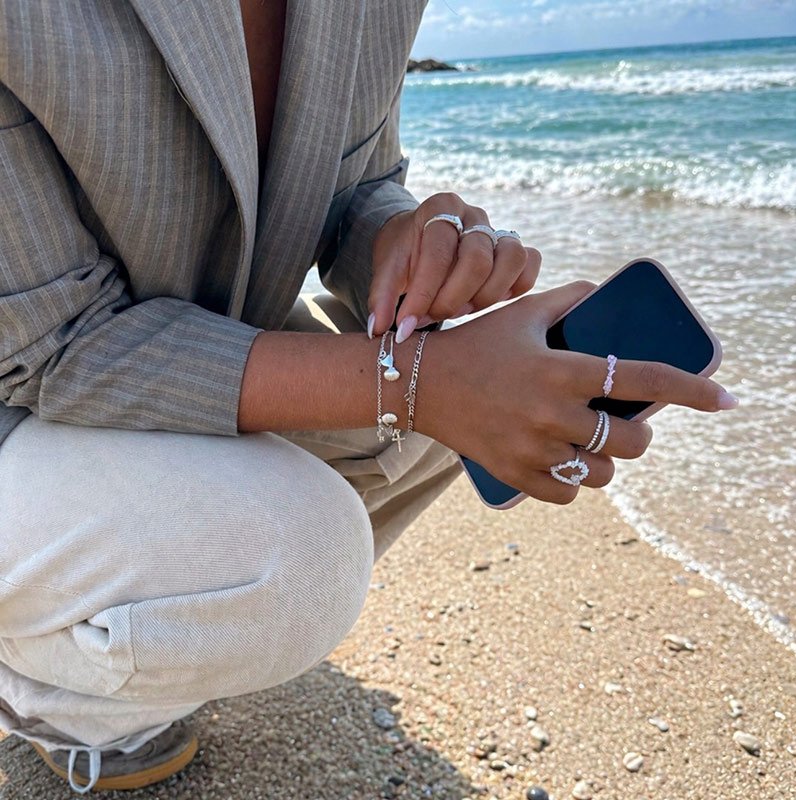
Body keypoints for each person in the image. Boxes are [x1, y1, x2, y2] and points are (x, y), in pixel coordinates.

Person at [0, 0, 737, 794]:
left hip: (159, 345)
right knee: (303, 550)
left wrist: (402, 240)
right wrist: (417, 385)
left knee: (443, 400)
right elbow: (54, 340)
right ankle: (43, 685)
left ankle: (147, 620)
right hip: (23, 378)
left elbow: (355, 181)